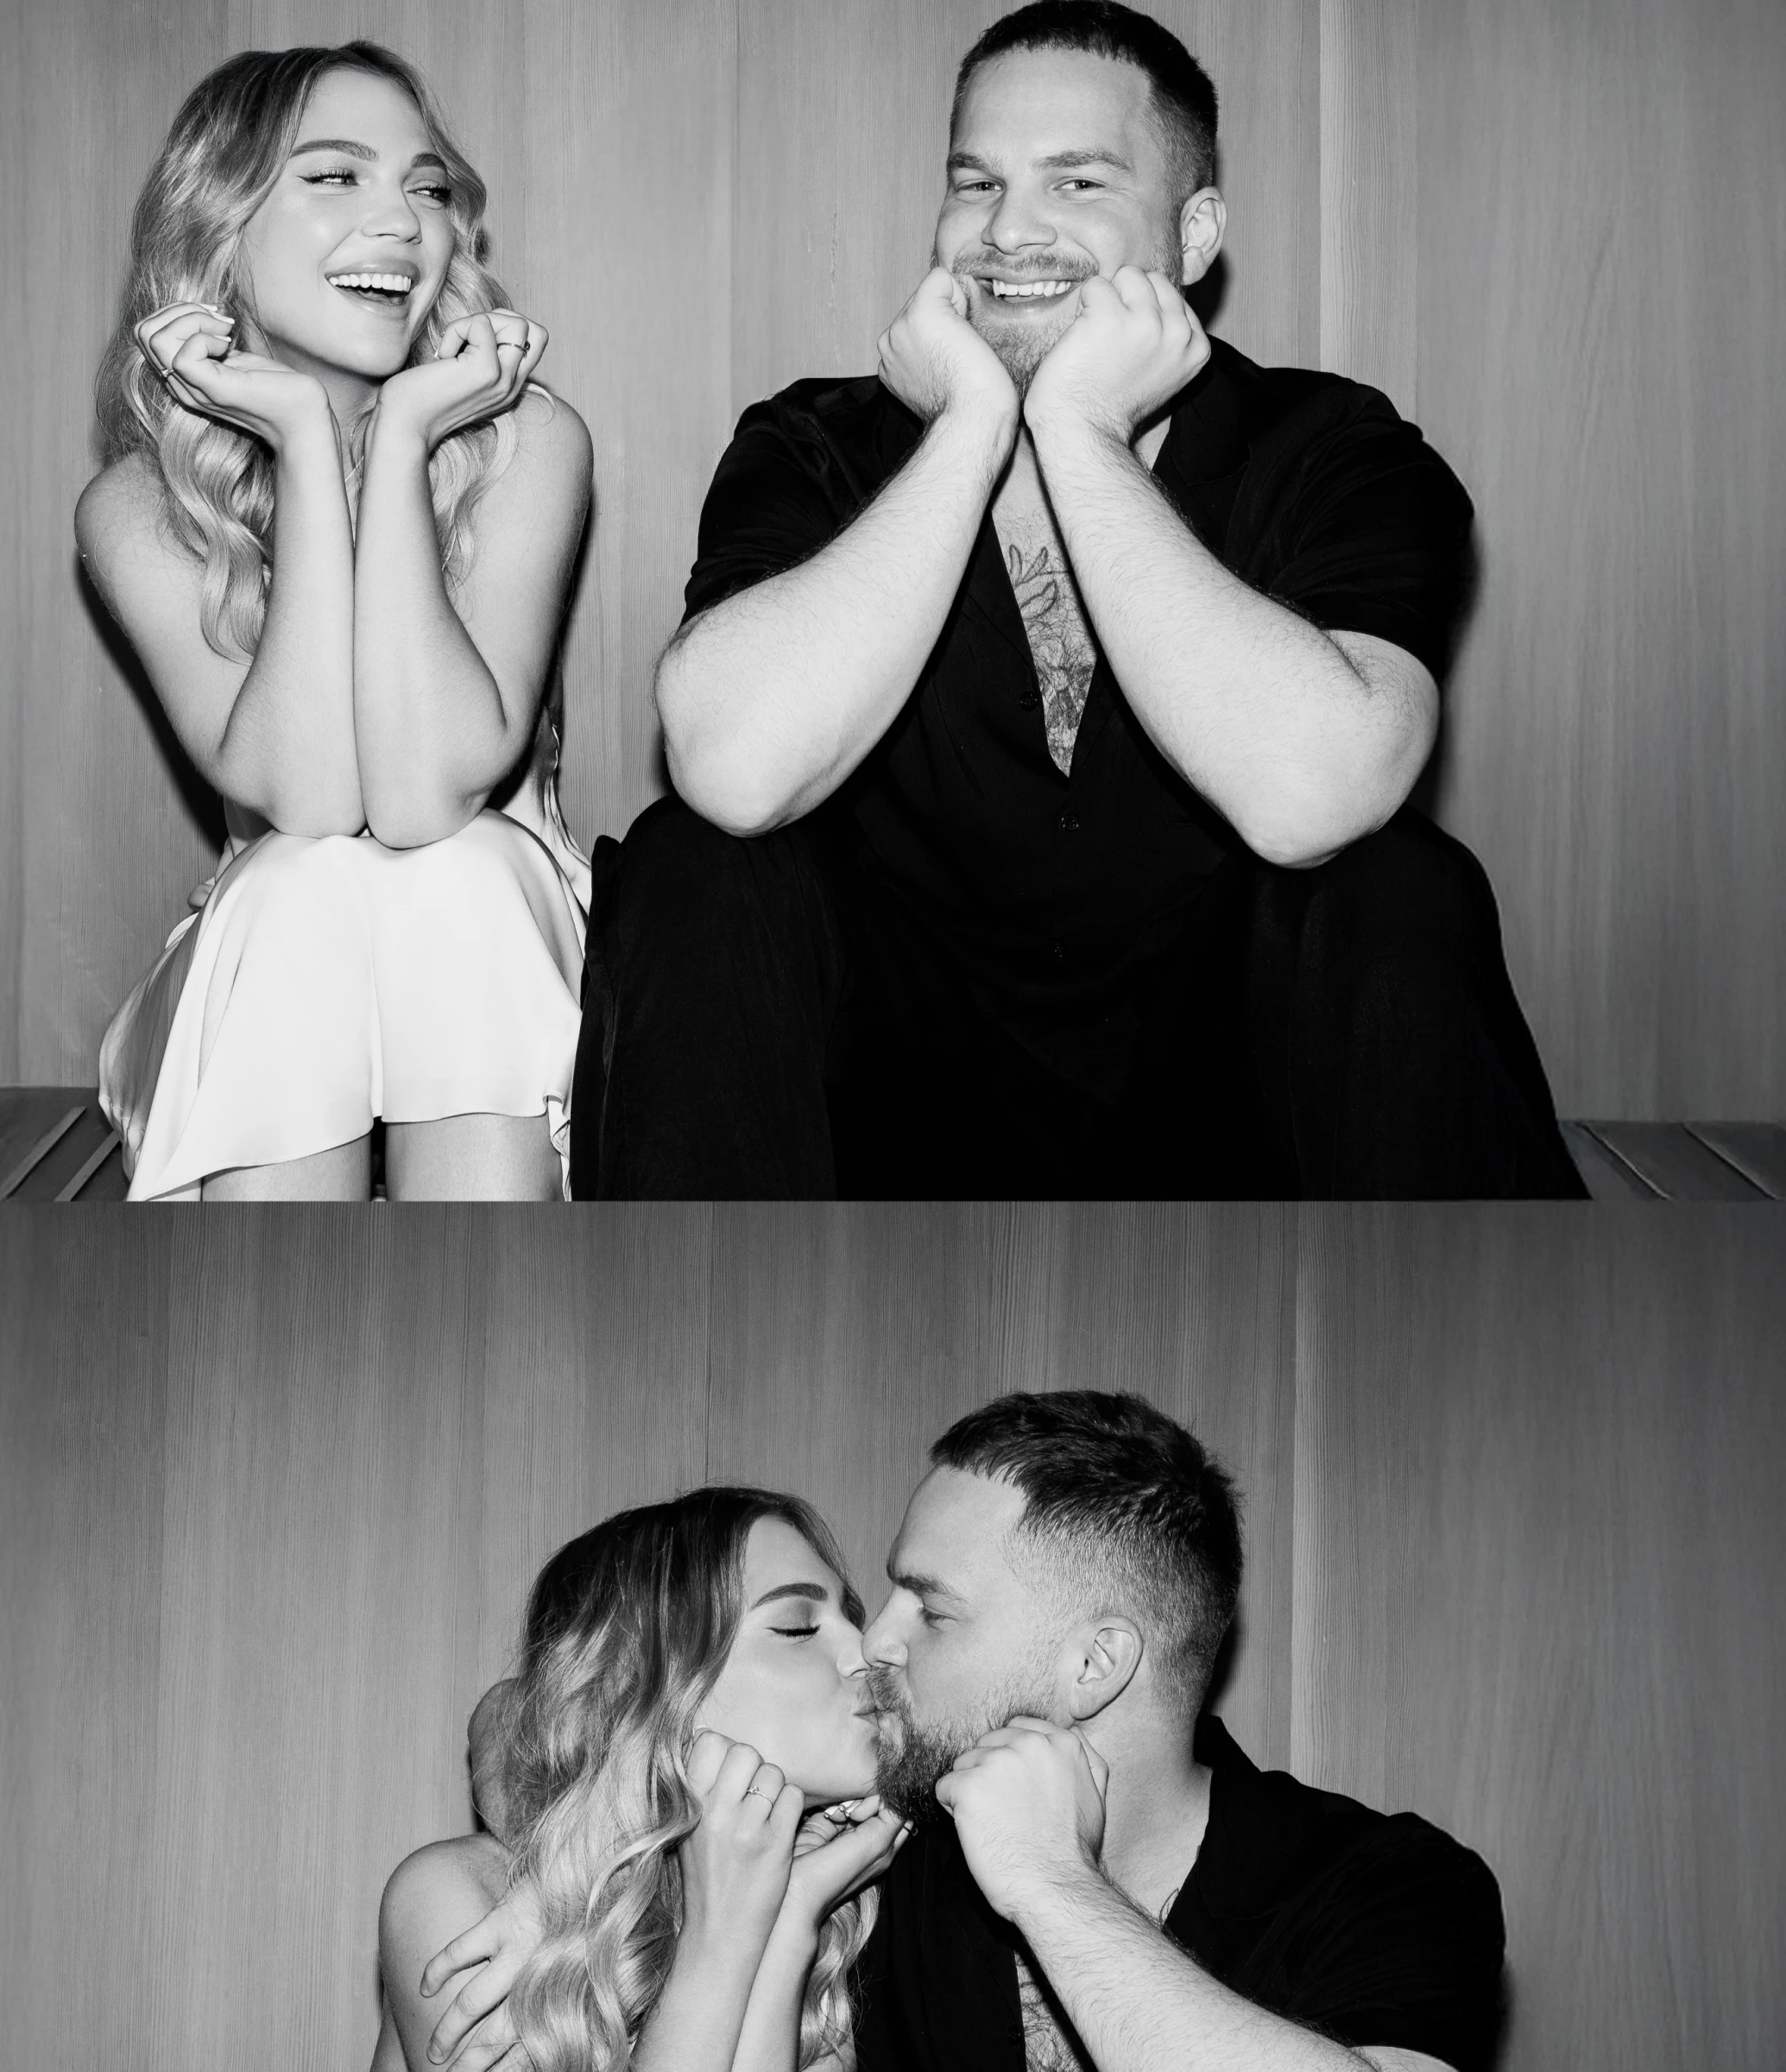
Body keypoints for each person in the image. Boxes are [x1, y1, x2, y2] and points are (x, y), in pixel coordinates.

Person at [570, 0, 1583, 1200]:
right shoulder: (816, 441)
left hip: (1233, 1129)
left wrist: (1083, 433)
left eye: (1077, 183)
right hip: (875, 1125)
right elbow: (732, 767)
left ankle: (1444, 1312)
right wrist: (971, 428)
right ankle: (708, 1312)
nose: (1009, 230)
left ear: (1194, 233)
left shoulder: (1330, 447)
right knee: (694, 866)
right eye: (976, 183)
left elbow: (1316, 793)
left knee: (1395, 886)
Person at [423, 1393, 1505, 2072]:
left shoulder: (1386, 1883)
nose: (875, 1643)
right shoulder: (893, 1842)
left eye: (931, 1613)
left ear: (1096, 1665)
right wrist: (556, 1877)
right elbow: (535, 1711)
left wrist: (1050, 1881)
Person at [79, 42, 593, 1200]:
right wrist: (305, 440)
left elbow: (422, 800)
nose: (403, 221)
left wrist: (403, 437)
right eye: (334, 175)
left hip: (495, 952)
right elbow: (310, 803)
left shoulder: (527, 444)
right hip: (278, 963)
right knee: (303, 884)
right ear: (221, 223)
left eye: (426, 187)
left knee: (458, 874)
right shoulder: (137, 506)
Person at [372, 1488, 910, 2072]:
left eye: (852, 1618)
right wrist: (722, 1934)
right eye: (798, 1627)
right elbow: (506, 1716)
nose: (867, 1652)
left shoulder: (836, 1908)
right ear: (647, 1690)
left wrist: (786, 1922)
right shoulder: (460, 1899)